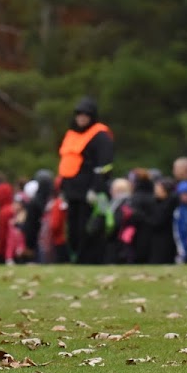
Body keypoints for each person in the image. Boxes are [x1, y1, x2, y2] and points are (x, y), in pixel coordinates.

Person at [56, 97, 114, 263]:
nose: (81, 118)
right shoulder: (71, 134)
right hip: (72, 190)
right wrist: (63, 189)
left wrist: (96, 189)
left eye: (85, 115)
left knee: (91, 226)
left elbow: (105, 165)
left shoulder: (100, 135)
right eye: (79, 114)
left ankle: (90, 259)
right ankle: (76, 257)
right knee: (73, 227)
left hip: (91, 191)